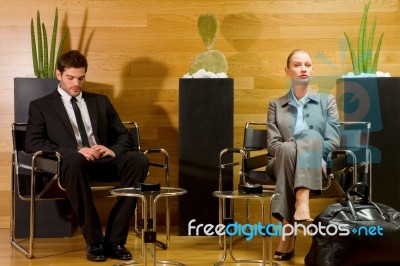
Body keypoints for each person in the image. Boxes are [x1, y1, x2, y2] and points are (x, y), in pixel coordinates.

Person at [25, 50, 149, 262]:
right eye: (70, 78)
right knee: (74, 160)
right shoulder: (41, 106)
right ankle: (94, 242)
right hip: (72, 165)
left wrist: (112, 150)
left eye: (81, 78)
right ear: (59, 74)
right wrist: (74, 151)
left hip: (102, 159)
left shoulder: (100, 101)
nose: (76, 84)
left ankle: (115, 240)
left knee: (139, 160)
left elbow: (124, 136)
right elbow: (32, 143)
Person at [266, 49, 340, 261]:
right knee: (289, 149)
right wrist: (306, 151)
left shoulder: (327, 102)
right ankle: (302, 203)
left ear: (312, 70)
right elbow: (272, 145)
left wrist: (314, 154)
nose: (303, 68)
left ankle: (287, 236)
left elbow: (333, 140)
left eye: (307, 64)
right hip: (278, 163)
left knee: (305, 138)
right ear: (287, 71)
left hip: (316, 164)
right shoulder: (275, 105)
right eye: (297, 65)